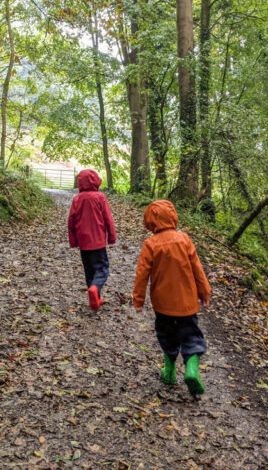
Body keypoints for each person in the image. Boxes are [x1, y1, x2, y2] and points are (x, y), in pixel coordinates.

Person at [132, 200, 211, 396]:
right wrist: (204, 291)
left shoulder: (150, 244)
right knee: (191, 335)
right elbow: (197, 269)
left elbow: (142, 274)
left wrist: (138, 299)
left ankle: (170, 372)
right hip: (187, 303)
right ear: (173, 218)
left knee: (167, 336)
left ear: (150, 222)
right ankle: (192, 369)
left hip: (162, 305)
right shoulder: (184, 239)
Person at [68, 169, 116, 311]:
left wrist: (73, 241)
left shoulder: (77, 199)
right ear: (96, 181)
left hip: (83, 244)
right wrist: (111, 237)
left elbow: (71, 221)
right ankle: (95, 290)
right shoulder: (100, 197)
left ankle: (95, 299)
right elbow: (108, 218)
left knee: (89, 271)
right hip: (98, 242)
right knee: (102, 269)